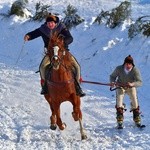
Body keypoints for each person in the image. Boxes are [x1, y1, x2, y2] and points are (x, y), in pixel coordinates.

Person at [24, 14, 85, 97]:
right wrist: (28, 36)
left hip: (63, 52)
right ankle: (45, 86)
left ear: (55, 23)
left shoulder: (62, 28)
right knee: (42, 67)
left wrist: (62, 43)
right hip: (50, 54)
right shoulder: (43, 29)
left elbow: (70, 38)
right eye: (48, 23)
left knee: (77, 66)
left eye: (52, 23)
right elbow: (35, 33)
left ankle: (78, 87)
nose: (50, 24)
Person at [110, 55, 143, 128]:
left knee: (134, 100)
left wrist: (132, 84)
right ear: (124, 63)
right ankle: (120, 119)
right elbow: (112, 76)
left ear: (132, 64)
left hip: (130, 87)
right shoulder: (119, 69)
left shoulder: (135, 70)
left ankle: (136, 117)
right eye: (126, 64)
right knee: (119, 100)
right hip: (120, 86)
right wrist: (112, 82)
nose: (128, 65)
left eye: (130, 64)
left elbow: (139, 82)